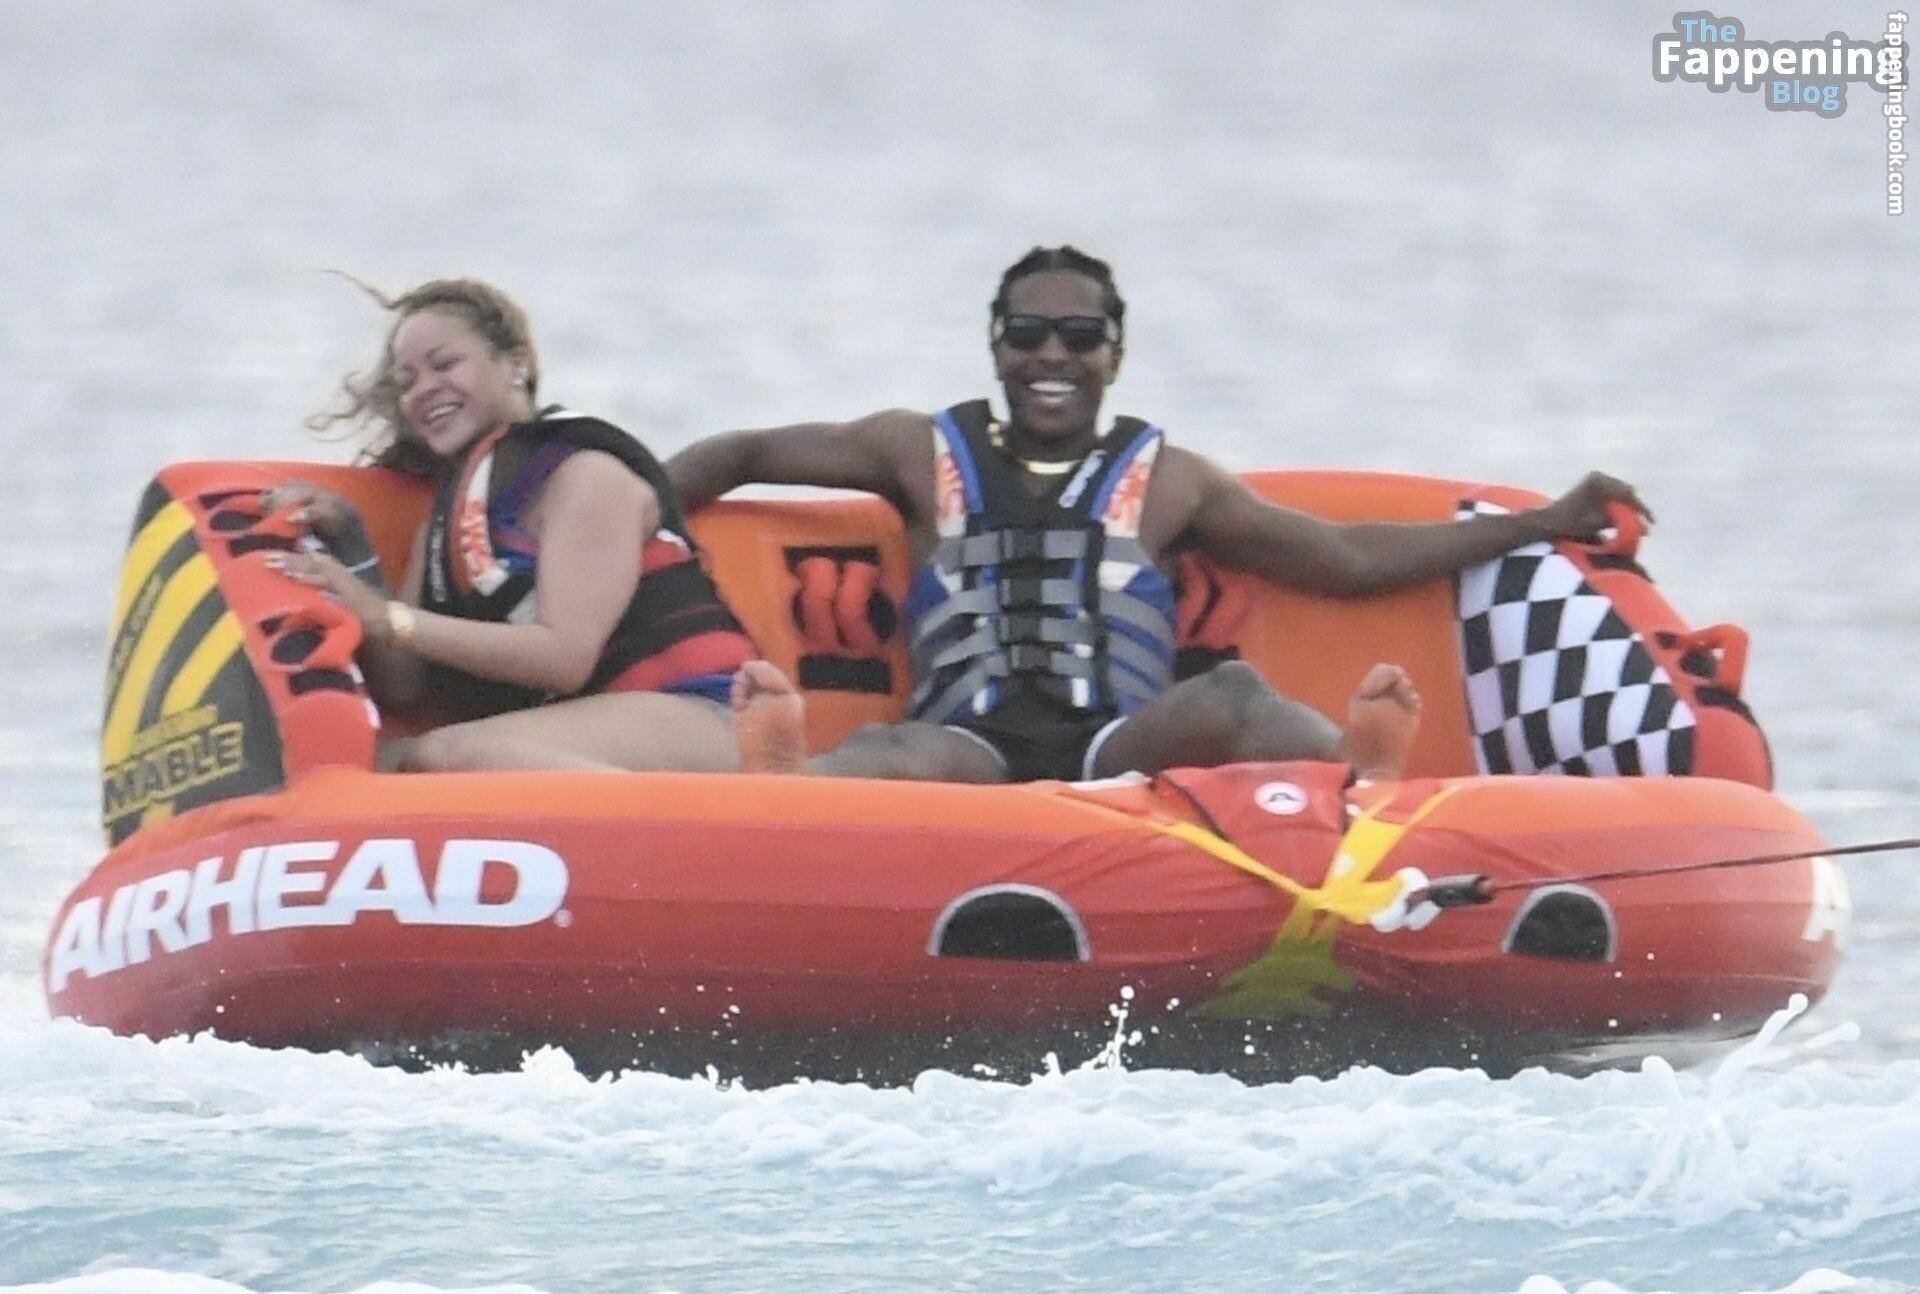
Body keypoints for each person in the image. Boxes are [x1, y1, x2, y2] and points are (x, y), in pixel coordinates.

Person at [668, 245, 1653, 785]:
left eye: (1080, 335)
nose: (1053, 356)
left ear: (1115, 354)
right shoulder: (914, 450)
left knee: (1233, 695)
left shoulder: (1172, 481)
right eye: (1029, 333)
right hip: (963, 745)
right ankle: (794, 790)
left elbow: (1344, 557)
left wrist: (1541, 521)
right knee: (883, 751)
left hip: (1115, 745)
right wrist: (639, 516)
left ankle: (1356, 774)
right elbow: (745, 453)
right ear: (997, 346)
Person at [265, 276, 759, 773]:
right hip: (596, 734)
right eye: (406, 381)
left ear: (516, 362)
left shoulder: (587, 475)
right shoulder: (444, 523)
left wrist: (383, 616)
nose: (423, 389)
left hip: (713, 712)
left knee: (443, 757)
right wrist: (352, 547)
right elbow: (405, 686)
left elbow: (564, 658)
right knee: (365, 762)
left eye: (444, 364)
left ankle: (739, 812)